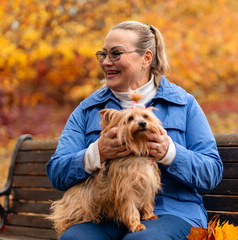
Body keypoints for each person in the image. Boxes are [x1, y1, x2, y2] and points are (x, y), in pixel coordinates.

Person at [46, 20, 223, 240]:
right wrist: (97, 153)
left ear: (146, 58)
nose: (106, 62)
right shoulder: (88, 109)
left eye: (116, 54)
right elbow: (57, 172)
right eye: (103, 54)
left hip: (172, 210)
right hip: (106, 211)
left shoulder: (183, 104)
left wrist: (170, 152)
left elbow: (211, 172)